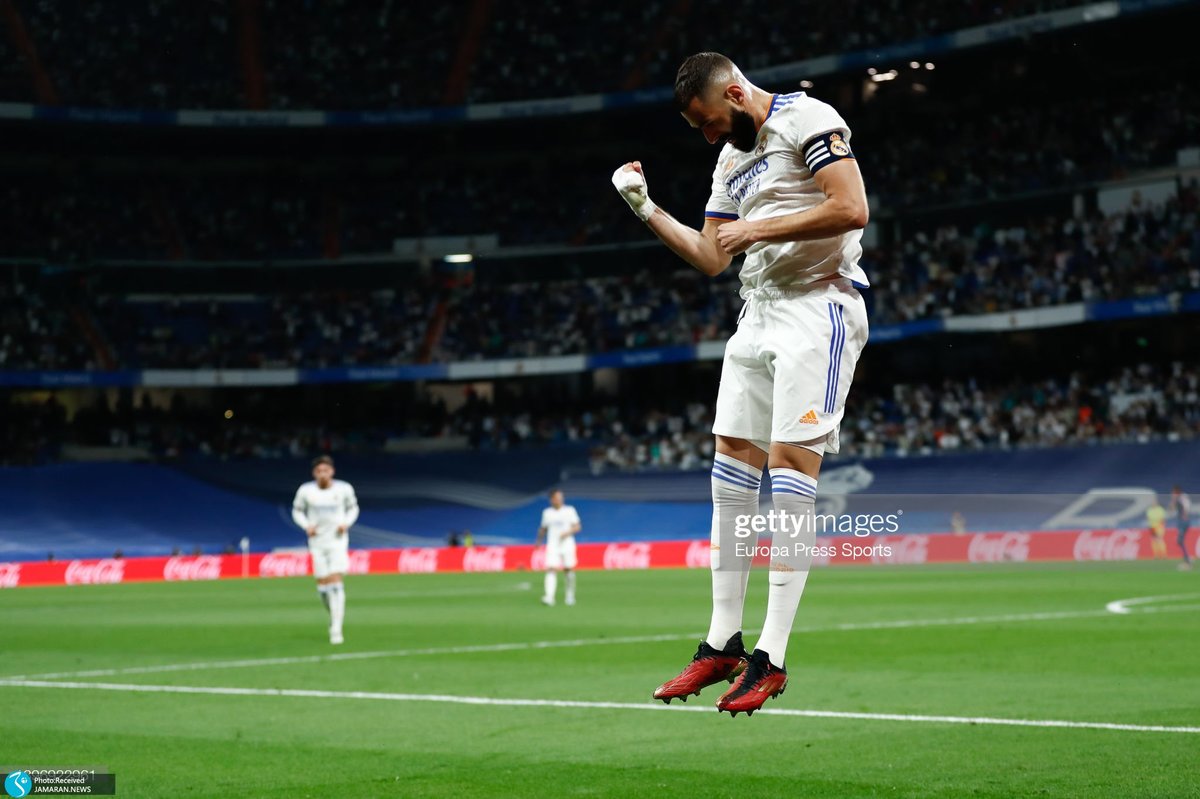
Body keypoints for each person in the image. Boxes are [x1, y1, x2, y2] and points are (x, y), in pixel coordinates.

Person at [612, 52, 869, 716]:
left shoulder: (808, 118)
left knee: (789, 469)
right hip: (758, 314)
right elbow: (710, 255)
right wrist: (645, 208)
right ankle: (723, 641)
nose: (708, 136)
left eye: (708, 121)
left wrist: (759, 227)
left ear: (733, 92)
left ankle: (771, 656)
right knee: (729, 467)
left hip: (818, 304)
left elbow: (851, 207)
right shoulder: (730, 161)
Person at [292, 455, 359, 644]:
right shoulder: (306, 490)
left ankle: (336, 629)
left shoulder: (344, 489)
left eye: (326, 470)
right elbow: (297, 510)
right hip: (317, 542)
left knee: (335, 581)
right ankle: (334, 617)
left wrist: (346, 523)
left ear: (332, 471)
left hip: (337, 541)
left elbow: (353, 508)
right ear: (314, 473)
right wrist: (306, 525)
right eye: (319, 471)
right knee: (323, 587)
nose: (323, 474)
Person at [535, 489, 581, 606]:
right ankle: (549, 597)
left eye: (561, 497)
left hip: (567, 544)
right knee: (551, 569)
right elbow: (543, 528)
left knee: (568, 569)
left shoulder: (569, 510)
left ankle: (570, 595)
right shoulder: (547, 513)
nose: (559, 499)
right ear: (552, 499)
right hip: (553, 545)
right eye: (557, 498)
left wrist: (567, 532)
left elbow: (577, 526)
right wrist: (538, 541)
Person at [1170, 485, 1192, 570]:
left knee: (1180, 540)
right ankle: (1187, 559)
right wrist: (1173, 499)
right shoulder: (1178, 498)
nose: (1172, 494)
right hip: (1181, 521)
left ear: (1176, 491)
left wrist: (1185, 515)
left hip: (1183, 521)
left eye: (1173, 492)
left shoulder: (1183, 497)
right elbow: (1172, 508)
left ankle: (1188, 562)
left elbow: (1186, 506)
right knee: (1180, 541)